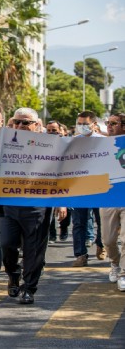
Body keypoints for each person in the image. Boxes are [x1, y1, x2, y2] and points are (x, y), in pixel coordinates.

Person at [0, 108, 66, 304]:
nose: (20, 126)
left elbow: (62, 174)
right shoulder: (5, 144)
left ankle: (29, 288)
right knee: (6, 244)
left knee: (34, 250)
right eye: (17, 122)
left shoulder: (52, 146)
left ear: (37, 126)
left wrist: (61, 202)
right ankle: (13, 274)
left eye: (26, 123)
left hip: (38, 206)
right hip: (9, 204)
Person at [70, 110, 105, 267]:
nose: (82, 127)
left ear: (94, 124)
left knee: (101, 220)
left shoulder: (104, 142)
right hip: (79, 188)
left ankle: (101, 245)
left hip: (100, 187)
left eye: (85, 124)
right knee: (79, 222)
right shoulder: (72, 142)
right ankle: (80, 254)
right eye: (79, 124)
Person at [101, 113, 125, 290]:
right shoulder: (99, 146)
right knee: (108, 239)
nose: (109, 126)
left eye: (113, 123)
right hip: (108, 198)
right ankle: (115, 263)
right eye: (107, 123)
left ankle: (123, 273)